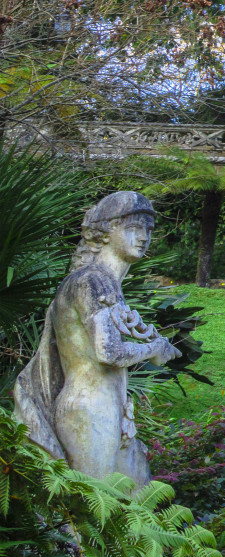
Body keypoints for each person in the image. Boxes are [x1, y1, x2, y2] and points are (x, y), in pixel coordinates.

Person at [13, 191, 180, 482]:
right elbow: (109, 353)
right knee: (93, 508)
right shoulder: (94, 281)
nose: (143, 237)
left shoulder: (98, 281)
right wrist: (155, 348)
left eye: (148, 230)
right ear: (105, 232)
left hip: (104, 405)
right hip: (91, 408)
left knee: (133, 491)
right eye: (132, 228)